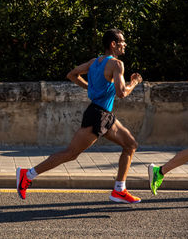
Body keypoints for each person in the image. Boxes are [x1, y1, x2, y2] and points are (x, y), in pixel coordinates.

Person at [17, 28, 143, 203]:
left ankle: (119, 190)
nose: (125, 44)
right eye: (122, 41)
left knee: (130, 145)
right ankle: (27, 175)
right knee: (71, 153)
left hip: (104, 115)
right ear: (113, 44)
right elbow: (121, 93)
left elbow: (72, 75)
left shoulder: (94, 62)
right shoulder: (116, 64)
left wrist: (90, 88)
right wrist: (135, 82)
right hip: (98, 116)